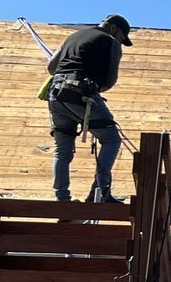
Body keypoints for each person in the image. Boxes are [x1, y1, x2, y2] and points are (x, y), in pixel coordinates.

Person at [46, 15, 131, 202]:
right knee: (111, 139)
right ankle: (99, 193)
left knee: (62, 148)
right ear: (115, 29)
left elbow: (51, 68)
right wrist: (96, 92)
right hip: (82, 94)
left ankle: (62, 200)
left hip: (56, 95)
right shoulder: (111, 42)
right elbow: (109, 81)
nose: (120, 42)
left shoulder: (74, 36)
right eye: (122, 38)